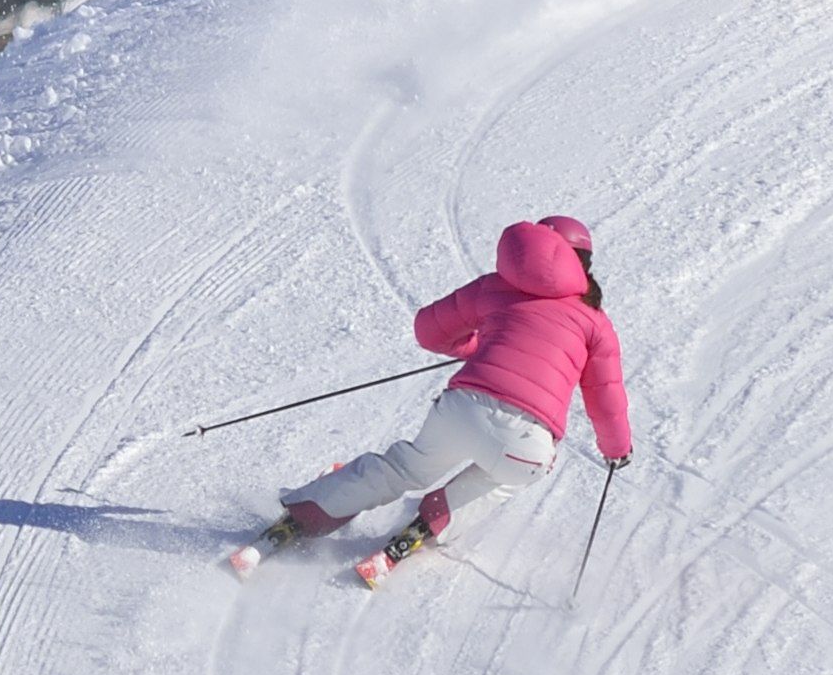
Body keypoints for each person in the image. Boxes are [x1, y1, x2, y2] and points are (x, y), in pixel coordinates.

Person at [252, 216, 631, 563]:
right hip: (527, 440)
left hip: (460, 410)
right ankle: (438, 516)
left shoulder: (495, 287)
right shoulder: (595, 322)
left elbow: (429, 330)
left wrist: (473, 348)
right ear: (583, 262)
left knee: (404, 467)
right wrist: (616, 450)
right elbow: (606, 398)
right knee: (516, 473)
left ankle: (310, 510)